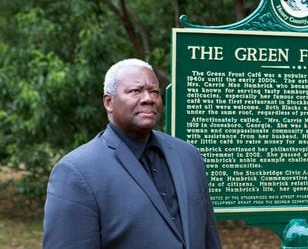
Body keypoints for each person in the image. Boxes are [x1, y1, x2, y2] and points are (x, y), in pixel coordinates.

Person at [43, 58, 221, 248]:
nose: (148, 98)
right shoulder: (76, 172)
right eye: (135, 91)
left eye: (154, 91)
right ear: (109, 102)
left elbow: (209, 237)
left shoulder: (188, 155)